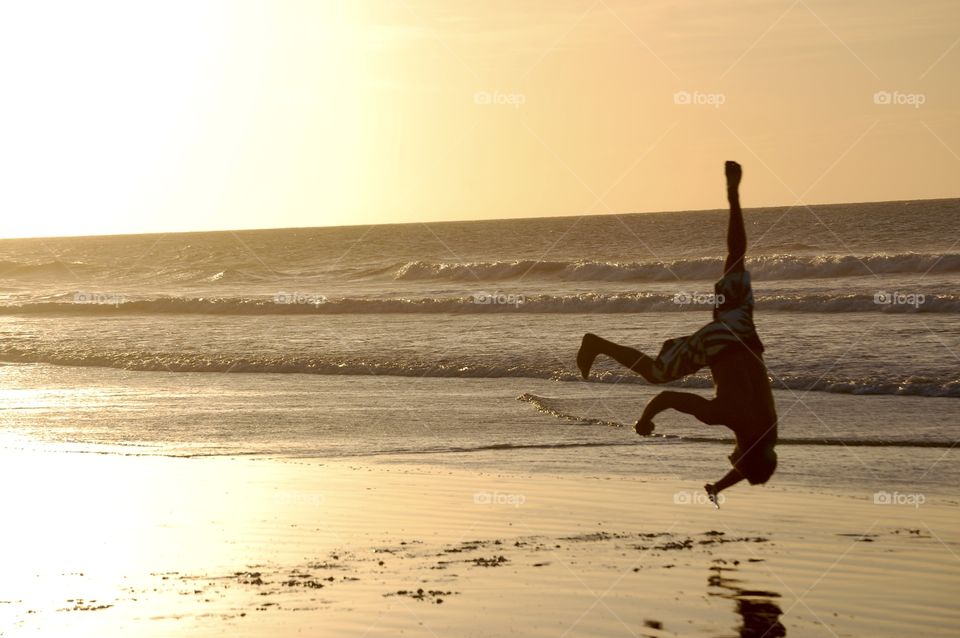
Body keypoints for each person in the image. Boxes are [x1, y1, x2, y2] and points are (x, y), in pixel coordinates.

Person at [575, 161, 777, 505]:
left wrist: (719, 487)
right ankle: (597, 344)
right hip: (718, 346)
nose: (734, 456)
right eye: (736, 457)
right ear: (742, 453)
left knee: (736, 259)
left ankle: (734, 196)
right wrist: (645, 420)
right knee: (656, 374)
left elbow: (749, 465)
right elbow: (668, 398)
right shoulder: (721, 417)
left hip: (743, 333)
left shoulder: (770, 430)